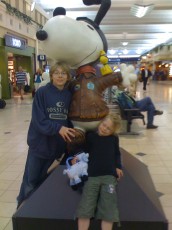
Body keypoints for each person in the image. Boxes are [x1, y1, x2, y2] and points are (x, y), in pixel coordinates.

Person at [17, 62, 76, 208]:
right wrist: (58, 128)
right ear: (51, 75)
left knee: (43, 178)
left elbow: (69, 120)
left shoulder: (69, 95)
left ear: (68, 77)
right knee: (31, 179)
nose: (60, 76)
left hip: (56, 146)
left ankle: (37, 207)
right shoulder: (42, 92)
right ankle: (24, 208)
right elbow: (39, 120)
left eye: (63, 73)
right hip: (39, 144)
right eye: (57, 73)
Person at [76, 113, 123, 230]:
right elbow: (83, 151)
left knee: (109, 209)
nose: (104, 129)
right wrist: (77, 157)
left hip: (109, 178)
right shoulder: (90, 136)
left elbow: (117, 154)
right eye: (104, 125)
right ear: (100, 123)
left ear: (113, 131)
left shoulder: (114, 139)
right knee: (85, 207)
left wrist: (118, 166)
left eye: (108, 129)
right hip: (92, 176)